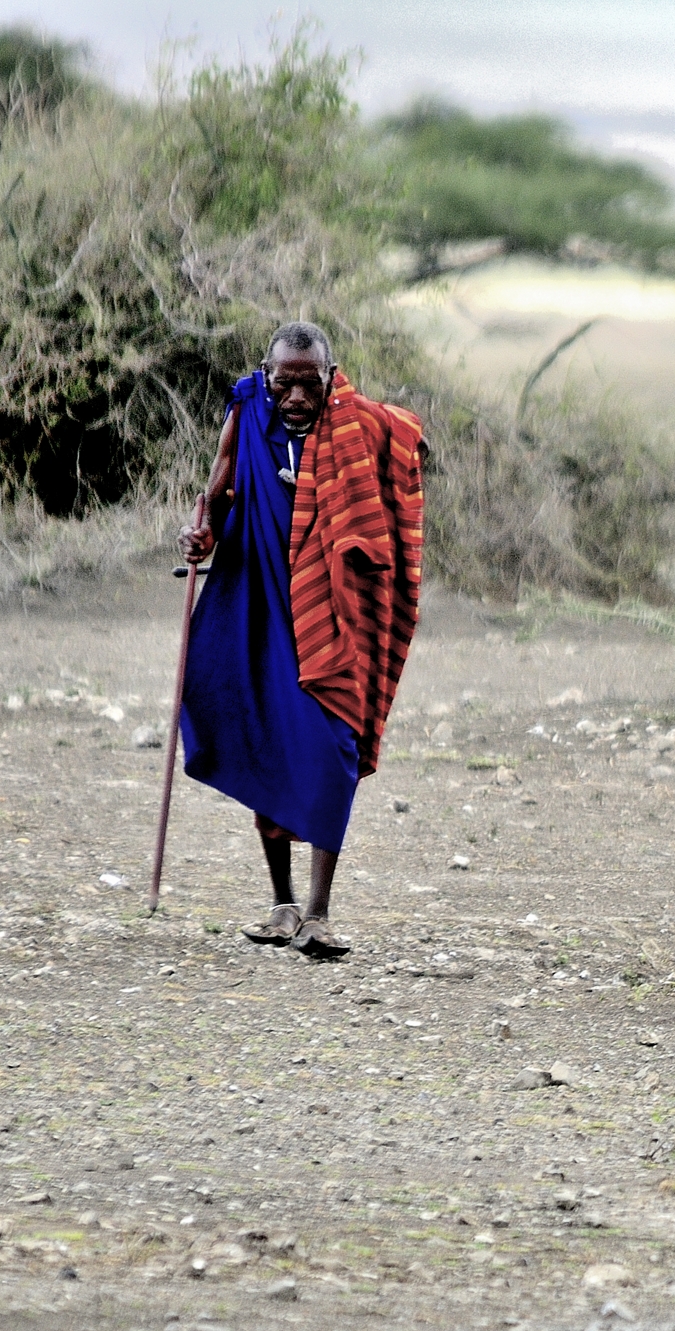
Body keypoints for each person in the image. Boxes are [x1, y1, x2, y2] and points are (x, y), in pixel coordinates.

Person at [177, 322, 426, 959]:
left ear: (329, 377)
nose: (293, 398)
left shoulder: (357, 427)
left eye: (307, 384)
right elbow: (219, 491)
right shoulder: (246, 411)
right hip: (257, 599)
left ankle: (319, 913)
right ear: (266, 377)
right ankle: (283, 904)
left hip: (333, 615)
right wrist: (201, 534)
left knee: (330, 745)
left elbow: (392, 496)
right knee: (261, 736)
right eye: (282, 384)